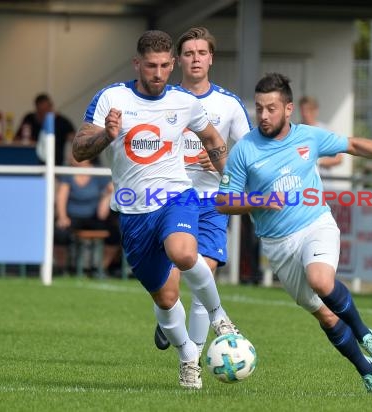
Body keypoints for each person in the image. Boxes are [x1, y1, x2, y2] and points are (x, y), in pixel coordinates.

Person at [216, 73, 372, 396]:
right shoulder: (244, 150)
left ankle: (366, 333)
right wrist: (260, 201)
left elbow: (353, 145)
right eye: (259, 108)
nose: (264, 116)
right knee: (326, 316)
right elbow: (223, 202)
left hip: (316, 224)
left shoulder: (308, 137)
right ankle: (367, 372)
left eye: (271, 108)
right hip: (278, 245)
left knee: (321, 279)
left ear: (288, 109)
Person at [72, 30, 240, 390]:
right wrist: (107, 136)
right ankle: (187, 358)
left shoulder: (184, 102)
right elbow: (80, 149)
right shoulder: (111, 98)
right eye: (151, 66)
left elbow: (213, 139)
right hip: (133, 212)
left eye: (166, 65)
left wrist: (229, 180)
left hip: (177, 197)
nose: (159, 73)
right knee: (166, 299)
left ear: (172, 64)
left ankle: (219, 317)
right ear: (137, 64)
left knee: (183, 252)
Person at [153, 27, 252, 353]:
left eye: (201, 53)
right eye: (189, 53)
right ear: (177, 60)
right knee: (169, 287)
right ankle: (168, 314)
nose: (195, 59)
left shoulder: (229, 104)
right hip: (170, 200)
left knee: (203, 277)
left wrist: (223, 164)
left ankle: (193, 358)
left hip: (211, 200)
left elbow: (249, 153)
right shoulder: (163, 101)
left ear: (211, 58)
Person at [53, 153, 120, 277]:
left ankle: (100, 269)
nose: (71, 158)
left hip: (93, 216)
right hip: (72, 216)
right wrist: (62, 217)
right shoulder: (67, 174)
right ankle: (62, 269)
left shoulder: (99, 173)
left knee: (115, 233)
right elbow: (61, 196)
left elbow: (113, 190)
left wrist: (106, 198)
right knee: (60, 233)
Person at [15, 93, 75, 166]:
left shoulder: (62, 122)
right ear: (36, 109)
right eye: (41, 111)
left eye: (46, 110)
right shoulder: (29, 119)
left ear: (51, 107)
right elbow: (16, 139)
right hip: (30, 163)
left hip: (55, 165)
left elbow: (75, 140)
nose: (44, 113)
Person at [299, 96, 343, 173]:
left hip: (324, 182)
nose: (305, 114)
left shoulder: (326, 130)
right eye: (303, 110)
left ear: (316, 111)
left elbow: (339, 159)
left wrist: (317, 161)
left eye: (309, 110)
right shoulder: (295, 131)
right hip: (302, 182)